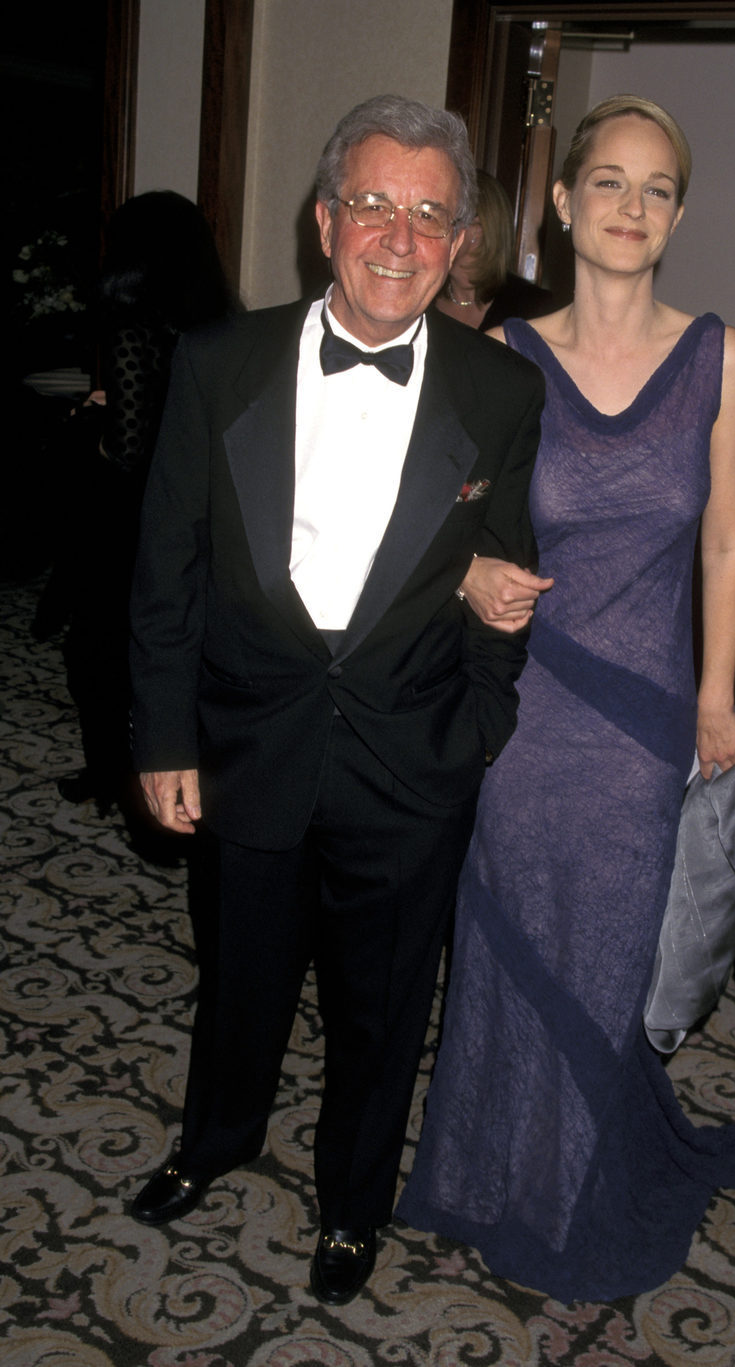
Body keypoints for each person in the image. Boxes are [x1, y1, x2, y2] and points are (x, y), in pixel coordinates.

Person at [126, 94, 545, 1308]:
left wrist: (478, 731)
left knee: (382, 1005)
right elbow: (166, 572)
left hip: (411, 756)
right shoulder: (218, 362)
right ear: (324, 221)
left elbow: (502, 578)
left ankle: (354, 1203)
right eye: (373, 204)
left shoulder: (498, 394)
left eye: (429, 214)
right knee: (240, 974)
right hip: (247, 738)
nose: (399, 238)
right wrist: (162, 734)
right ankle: (213, 1142)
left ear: (458, 240)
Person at [398, 94, 735, 1302]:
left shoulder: (721, 358)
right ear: (561, 201)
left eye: (656, 188)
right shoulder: (503, 355)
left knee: (602, 953)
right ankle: (487, 1169)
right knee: (500, 941)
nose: (631, 206)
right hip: (523, 701)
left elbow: (725, 540)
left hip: (642, 715)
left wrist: (716, 695)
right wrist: (473, 568)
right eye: (608, 181)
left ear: (678, 213)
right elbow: (432, 526)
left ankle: (577, 1182)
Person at [56, 191, 238, 813]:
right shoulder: (218, 321)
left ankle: (116, 777)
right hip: (193, 507)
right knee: (165, 645)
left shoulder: (132, 323)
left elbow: (127, 449)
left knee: (101, 650)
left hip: (129, 517)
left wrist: (84, 424)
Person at [436, 168, 552, 331]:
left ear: (476, 230)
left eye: (444, 218)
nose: (432, 228)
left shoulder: (533, 309)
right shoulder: (424, 298)